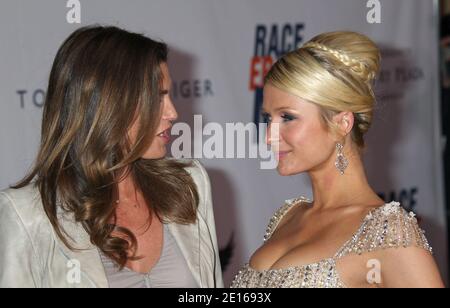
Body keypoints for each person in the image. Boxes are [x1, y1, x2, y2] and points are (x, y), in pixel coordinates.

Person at [0, 26, 223, 288]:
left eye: (169, 95)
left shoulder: (188, 185)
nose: (172, 113)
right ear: (108, 104)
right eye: (157, 97)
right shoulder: (27, 215)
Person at [231, 31, 444, 288]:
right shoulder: (287, 216)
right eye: (268, 118)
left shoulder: (388, 232)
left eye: (287, 117)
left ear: (342, 122)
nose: (269, 137)